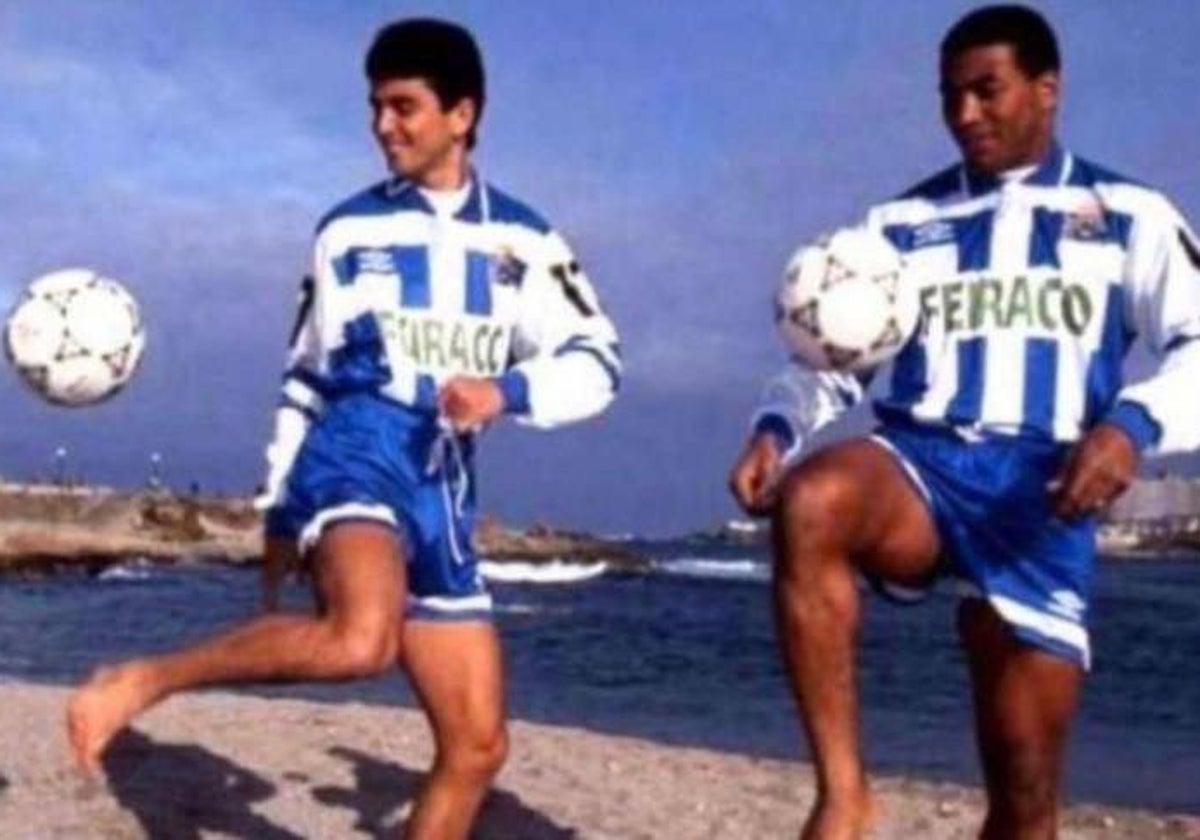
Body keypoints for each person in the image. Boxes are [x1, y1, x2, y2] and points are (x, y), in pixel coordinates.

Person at [68, 18, 620, 839]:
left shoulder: (527, 240)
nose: (383, 126)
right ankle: (142, 680)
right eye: (376, 107)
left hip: (446, 484)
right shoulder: (347, 232)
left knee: (476, 747)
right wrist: (281, 509)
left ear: (462, 114)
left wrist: (507, 391)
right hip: (356, 449)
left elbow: (599, 361)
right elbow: (305, 375)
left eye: (404, 107)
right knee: (361, 641)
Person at [729, 5, 1200, 838]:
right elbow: (832, 358)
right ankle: (843, 793)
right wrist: (777, 429)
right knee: (813, 502)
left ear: (1047, 90)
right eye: (951, 96)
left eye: (987, 91)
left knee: (1024, 798)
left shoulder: (1130, 215)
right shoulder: (899, 227)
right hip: (922, 464)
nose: (965, 115)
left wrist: (1132, 425)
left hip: (1043, 496)